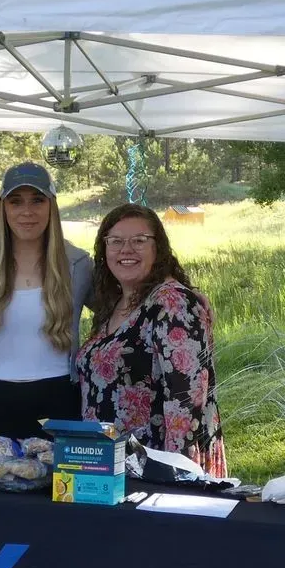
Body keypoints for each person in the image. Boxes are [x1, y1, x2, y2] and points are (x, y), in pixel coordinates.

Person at [77, 203, 226, 476]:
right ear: (104, 250)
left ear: (159, 249)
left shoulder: (173, 303)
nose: (126, 250)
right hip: (108, 466)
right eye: (116, 241)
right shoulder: (114, 304)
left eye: (139, 241)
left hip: (154, 469)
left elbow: (186, 402)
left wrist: (174, 476)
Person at [0, 162, 93, 441]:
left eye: (37, 200)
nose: (27, 212)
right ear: (3, 207)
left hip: (61, 404)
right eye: (16, 202)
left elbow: (119, 311)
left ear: (51, 205)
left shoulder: (78, 264)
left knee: (59, 486)